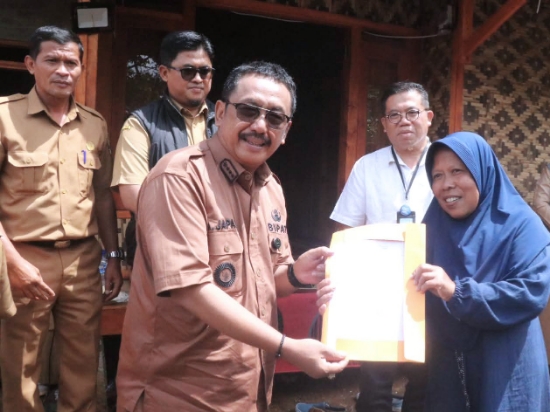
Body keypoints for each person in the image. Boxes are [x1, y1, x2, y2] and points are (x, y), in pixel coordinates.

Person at [116, 61, 348, 411]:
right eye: (248, 111)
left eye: (275, 118)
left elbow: (267, 279)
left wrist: (297, 274)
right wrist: (286, 347)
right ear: (221, 113)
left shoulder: (271, 188)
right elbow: (190, 288)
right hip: (181, 393)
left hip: (247, 390)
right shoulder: (179, 178)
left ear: (286, 130)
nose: (260, 126)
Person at [0, 26, 122, 411]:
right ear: (30, 64)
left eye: (72, 62)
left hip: (83, 260)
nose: (63, 70)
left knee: (82, 361)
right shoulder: (5, 117)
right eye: (52, 60)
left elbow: (103, 197)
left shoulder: (94, 124)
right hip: (23, 257)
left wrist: (113, 257)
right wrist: (12, 262)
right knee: (20, 366)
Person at [412, 131, 550, 411]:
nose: (446, 184)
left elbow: (531, 292)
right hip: (448, 367)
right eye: (437, 175)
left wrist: (456, 291)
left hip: (507, 363)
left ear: (482, 171)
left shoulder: (521, 225)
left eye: (457, 171)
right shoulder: (431, 228)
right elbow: (405, 286)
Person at [325, 81, 434, 411]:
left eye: (412, 112)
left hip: (432, 287)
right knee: (375, 380)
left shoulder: (447, 164)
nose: (404, 121)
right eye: (394, 115)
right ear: (384, 125)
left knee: (427, 380)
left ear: (428, 117)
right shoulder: (367, 166)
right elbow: (347, 229)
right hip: (378, 292)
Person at [111, 30, 217, 266]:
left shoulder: (227, 120)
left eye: (204, 71)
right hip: (160, 249)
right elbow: (132, 194)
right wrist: (193, 218)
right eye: (188, 71)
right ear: (164, 72)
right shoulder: (141, 123)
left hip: (219, 247)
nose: (198, 78)